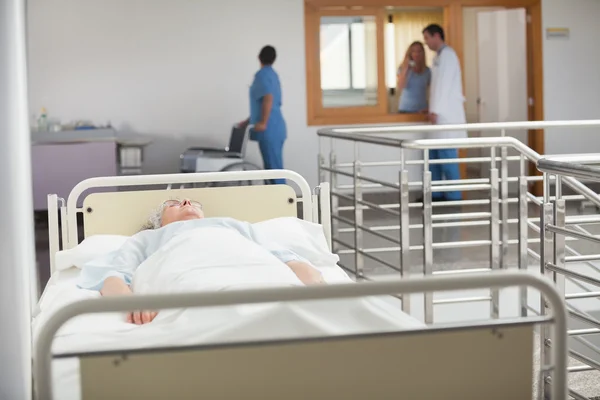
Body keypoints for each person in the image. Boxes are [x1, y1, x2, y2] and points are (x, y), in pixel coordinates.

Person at [78, 199, 325, 325]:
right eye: (173, 204)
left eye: (192, 202)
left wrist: (323, 291)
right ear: (159, 222)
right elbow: (114, 279)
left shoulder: (233, 226)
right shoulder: (149, 238)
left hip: (256, 273)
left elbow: (288, 260)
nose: (186, 203)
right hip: (190, 276)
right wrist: (134, 303)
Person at [422, 24, 467, 201]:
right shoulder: (438, 57)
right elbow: (436, 88)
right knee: (434, 157)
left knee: (447, 158)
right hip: (438, 115)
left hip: (446, 116)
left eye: (427, 38)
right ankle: (436, 194)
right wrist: (431, 108)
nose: (426, 42)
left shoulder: (448, 55)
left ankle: (453, 197)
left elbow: (445, 86)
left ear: (436, 36)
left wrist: (435, 110)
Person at [239, 45, 287, 185]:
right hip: (275, 127)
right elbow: (261, 103)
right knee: (272, 169)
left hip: (270, 128)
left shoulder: (262, 75)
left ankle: (282, 204)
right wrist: (248, 121)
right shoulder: (272, 74)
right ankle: (275, 202)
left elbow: (268, 98)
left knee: (274, 170)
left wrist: (263, 122)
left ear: (259, 57)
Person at [397, 41, 431, 114]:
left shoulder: (428, 71)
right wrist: (406, 68)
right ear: (410, 54)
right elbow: (400, 86)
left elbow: (431, 91)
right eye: (414, 51)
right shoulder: (402, 69)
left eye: (419, 51)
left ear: (423, 53)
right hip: (405, 109)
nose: (416, 54)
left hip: (422, 109)